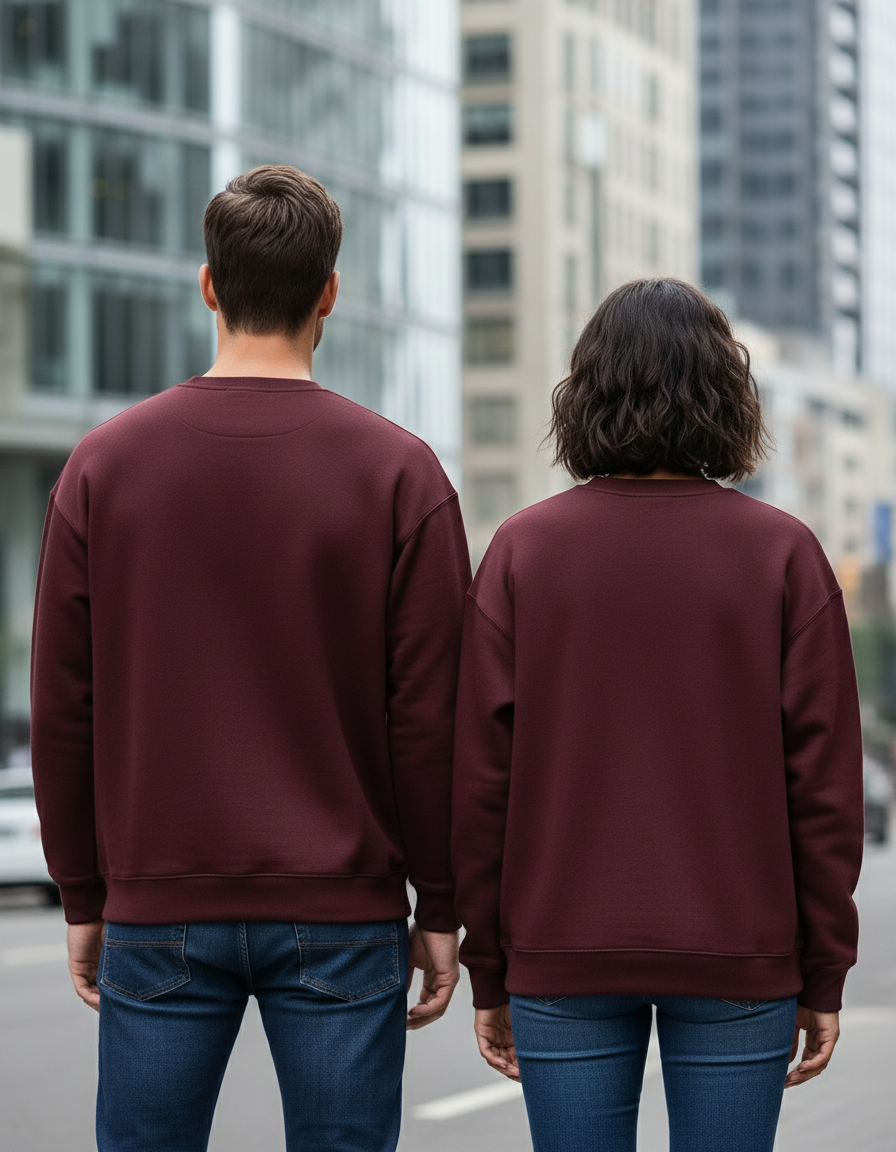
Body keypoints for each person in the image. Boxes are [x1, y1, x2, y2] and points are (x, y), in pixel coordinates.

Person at [30, 165, 470, 1152]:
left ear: (207, 285)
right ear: (328, 292)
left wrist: (83, 891)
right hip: (342, 907)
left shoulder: (104, 467)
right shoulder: (401, 475)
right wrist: (440, 906)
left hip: (160, 900)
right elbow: (431, 720)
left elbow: (64, 705)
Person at [451, 278, 864, 1152]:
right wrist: (822, 973)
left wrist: (488, 966)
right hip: (739, 956)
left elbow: (480, 782)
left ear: (585, 396)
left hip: (562, 950)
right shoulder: (783, 555)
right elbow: (825, 793)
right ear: (727, 395)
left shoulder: (523, 551)